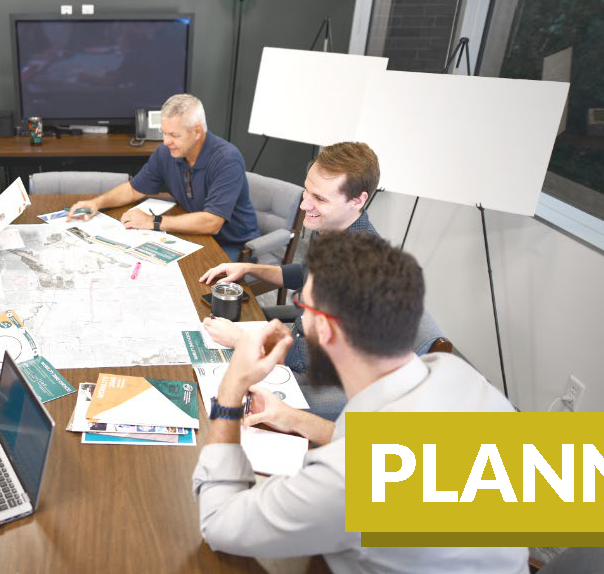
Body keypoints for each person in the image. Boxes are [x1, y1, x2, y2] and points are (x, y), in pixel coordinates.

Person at [193, 232, 524, 573]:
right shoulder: (455, 373)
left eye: (303, 307)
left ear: (327, 331)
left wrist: (233, 386)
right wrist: (293, 418)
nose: (299, 321)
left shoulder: (349, 478)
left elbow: (218, 523)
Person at [198, 141, 383, 371]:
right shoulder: (331, 228)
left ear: (358, 200)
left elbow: (313, 357)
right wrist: (249, 268)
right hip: (298, 337)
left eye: (320, 199)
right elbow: (304, 274)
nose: (305, 205)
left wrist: (241, 340)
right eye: (307, 190)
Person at [67, 93, 260, 260]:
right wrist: (97, 203)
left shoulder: (227, 159)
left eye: (174, 135)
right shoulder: (166, 152)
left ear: (197, 131)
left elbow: (212, 222)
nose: (166, 141)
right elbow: (134, 189)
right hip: (193, 236)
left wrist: (153, 222)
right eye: (164, 133)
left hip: (233, 245)